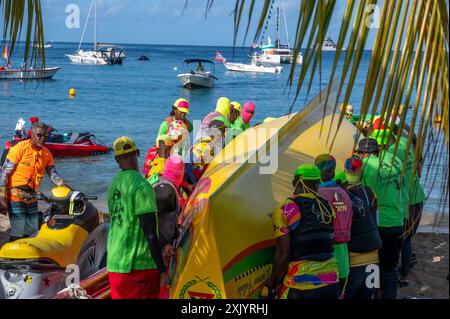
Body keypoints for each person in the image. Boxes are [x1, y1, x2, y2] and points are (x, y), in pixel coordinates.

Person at [263, 163, 340, 299]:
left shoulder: (285, 209)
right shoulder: (327, 206)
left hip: (301, 284)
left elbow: (283, 254)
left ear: (294, 182)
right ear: (317, 184)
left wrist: (272, 282)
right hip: (331, 280)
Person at [107, 136, 168, 299]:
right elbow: (149, 232)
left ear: (116, 159)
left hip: (114, 264)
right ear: (138, 153)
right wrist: (162, 269)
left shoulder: (113, 185)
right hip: (138, 267)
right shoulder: (142, 186)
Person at [356, 137, 409, 299]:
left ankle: (372, 296)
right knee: (389, 269)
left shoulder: (363, 165)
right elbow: (404, 194)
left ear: (363, 153)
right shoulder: (394, 164)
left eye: (359, 153)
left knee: (372, 267)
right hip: (397, 223)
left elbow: (357, 192)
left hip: (377, 225)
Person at [0, 122, 67, 242]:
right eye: (39, 135)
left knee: (30, 231)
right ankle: (9, 258)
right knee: (18, 231)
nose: (42, 139)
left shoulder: (46, 153)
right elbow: (4, 173)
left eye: (45, 136)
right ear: (31, 134)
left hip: (32, 196)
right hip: (15, 196)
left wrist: (66, 188)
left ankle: (22, 256)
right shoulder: (19, 149)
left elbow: (53, 175)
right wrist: (2, 197)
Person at [343, 156, 382, 299]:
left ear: (344, 170)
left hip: (353, 260)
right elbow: (376, 223)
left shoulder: (340, 195)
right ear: (361, 171)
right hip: (373, 257)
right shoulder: (371, 192)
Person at [314, 154, 353, 297]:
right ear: (333, 172)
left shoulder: (316, 195)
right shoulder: (345, 194)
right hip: (343, 261)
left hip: (322, 260)